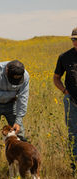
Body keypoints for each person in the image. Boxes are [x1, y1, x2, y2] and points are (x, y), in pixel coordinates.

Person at [0, 60, 29, 178]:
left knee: (21, 137)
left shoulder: (25, 76)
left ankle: (24, 171)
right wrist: (13, 95)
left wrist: (18, 121)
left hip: (12, 106)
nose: (14, 84)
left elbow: (23, 98)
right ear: (7, 71)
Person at [53, 27, 77, 175]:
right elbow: (56, 78)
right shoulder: (64, 57)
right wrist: (64, 91)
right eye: (73, 39)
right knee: (73, 134)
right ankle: (74, 167)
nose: (75, 42)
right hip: (71, 101)